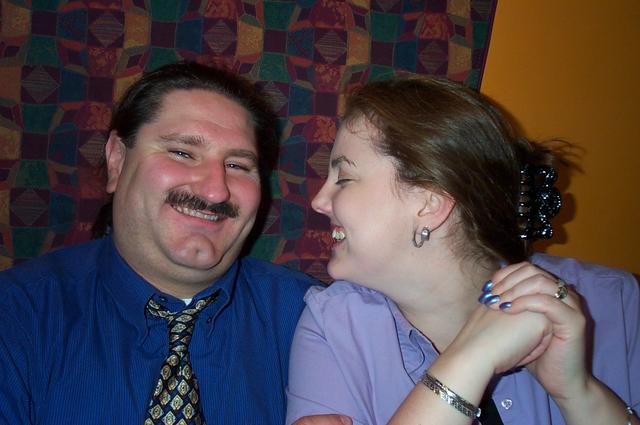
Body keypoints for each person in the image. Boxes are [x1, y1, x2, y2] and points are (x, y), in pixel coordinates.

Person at [285, 76, 639, 425]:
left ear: (429, 203)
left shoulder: (613, 301)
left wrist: (577, 391)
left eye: (344, 179)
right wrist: (472, 356)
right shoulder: (334, 325)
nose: (318, 201)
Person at [0, 62, 317, 424]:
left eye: (237, 166)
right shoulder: (16, 315)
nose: (215, 190)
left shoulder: (316, 320)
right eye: (182, 152)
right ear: (117, 160)